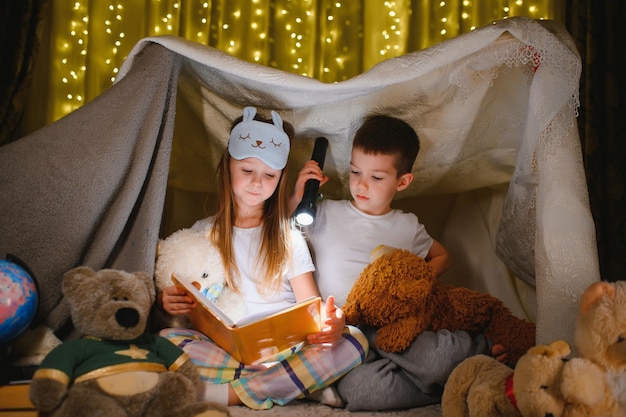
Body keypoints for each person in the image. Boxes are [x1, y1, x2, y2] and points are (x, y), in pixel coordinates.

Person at [289, 114, 506, 411]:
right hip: (348, 330)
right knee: (361, 393)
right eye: (355, 172)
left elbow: (443, 256)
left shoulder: (407, 226)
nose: (361, 185)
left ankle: (481, 348)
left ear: (402, 182)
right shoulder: (325, 212)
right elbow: (283, 233)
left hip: (397, 325)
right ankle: (446, 385)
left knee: (435, 359)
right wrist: (298, 196)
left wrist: (418, 279)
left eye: (376, 178)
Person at [158, 107, 368, 410]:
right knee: (165, 339)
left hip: (287, 350)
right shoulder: (201, 234)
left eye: (269, 175)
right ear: (228, 166)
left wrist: (332, 322)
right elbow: (188, 307)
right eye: (247, 171)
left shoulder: (287, 236)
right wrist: (169, 302)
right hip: (226, 351)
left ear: (280, 177)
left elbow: (312, 306)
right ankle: (294, 384)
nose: (257, 183)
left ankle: (232, 393)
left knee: (354, 340)